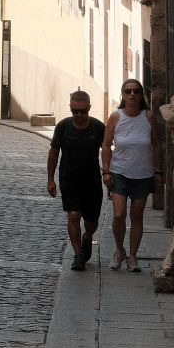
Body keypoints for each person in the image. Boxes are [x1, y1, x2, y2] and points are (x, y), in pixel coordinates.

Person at [101, 78, 162, 272]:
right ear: (123, 95)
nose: (132, 94)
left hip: (142, 174)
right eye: (128, 91)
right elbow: (106, 144)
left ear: (141, 94)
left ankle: (133, 256)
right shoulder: (115, 117)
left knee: (137, 215)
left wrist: (158, 171)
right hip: (119, 173)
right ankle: (119, 250)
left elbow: (157, 145)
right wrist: (106, 170)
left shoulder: (148, 117)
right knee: (119, 214)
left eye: (136, 91)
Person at [47, 91, 105, 271]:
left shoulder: (98, 127)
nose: (79, 115)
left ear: (88, 109)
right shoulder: (63, 127)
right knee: (73, 215)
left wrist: (110, 175)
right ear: (71, 109)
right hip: (69, 179)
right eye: (75, 111)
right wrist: (50, 179)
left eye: (82, 111)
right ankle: (78, 254)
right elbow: (54, 153)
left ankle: (87, 237)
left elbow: (109, 153)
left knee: (91, 221)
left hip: (92, 180)